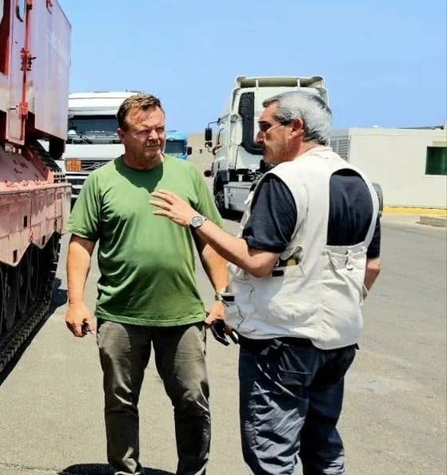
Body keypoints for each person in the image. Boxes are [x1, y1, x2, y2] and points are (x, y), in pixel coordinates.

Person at [151, 90, 382, 475]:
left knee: (272, 453)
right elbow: (371, 267)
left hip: (284, 342)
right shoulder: (363, 184)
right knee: (323, 447)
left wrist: (194, 219)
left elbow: (257, 261)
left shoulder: (285, 181)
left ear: (296, 128)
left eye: (264, 127)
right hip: (340, 340)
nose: (258, 138)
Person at [65, 93, 228, 475]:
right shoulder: (101, 181)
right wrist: (76, 301)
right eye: (144, 131)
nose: (155, 137)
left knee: (192, 400)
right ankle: (125, 471)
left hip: (182, 315)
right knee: (120, 402)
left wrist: (224, 297)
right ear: (122, 134)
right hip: (121, 315)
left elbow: (211, 241)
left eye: (159, 129)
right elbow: (81, 245)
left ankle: (193, 471)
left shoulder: (187, 175)